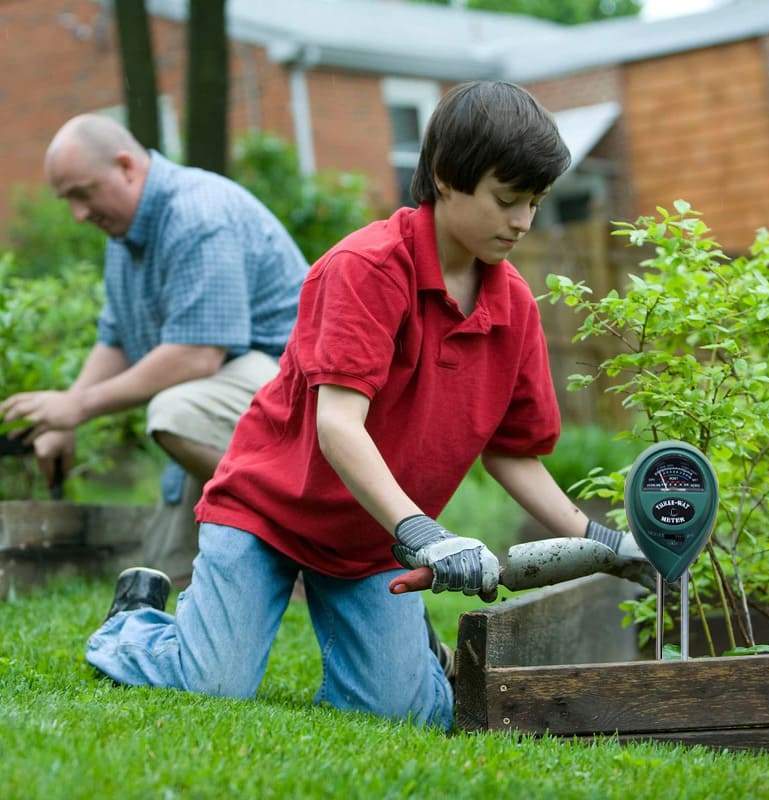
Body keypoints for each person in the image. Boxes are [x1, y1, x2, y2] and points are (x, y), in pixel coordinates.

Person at [82, 82, 646, 730]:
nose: (523, 221)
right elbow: (338, 425)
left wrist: (606, 544)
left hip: (373, 539)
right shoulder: (367, 268)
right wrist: (426, 535)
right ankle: (136, 623)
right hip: (268, 512)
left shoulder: (512, 306)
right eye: (507, 200)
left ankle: (408, 658)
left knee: (403, 714)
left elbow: (512, 454)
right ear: (444, 177)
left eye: (534, 203)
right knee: (211, 683)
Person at [0, 115, 308, 579]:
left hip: (299, 400)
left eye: (83, 194)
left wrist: (79, 406)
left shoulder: (197, 214)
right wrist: (63, 416)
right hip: (231, 404)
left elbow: (197, 355)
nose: (78, 215)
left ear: (126, 166)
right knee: (167, 571)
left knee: (176, 411)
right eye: (68, 201)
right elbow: (116, 338)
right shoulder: (125, 237)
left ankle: (305, 541)